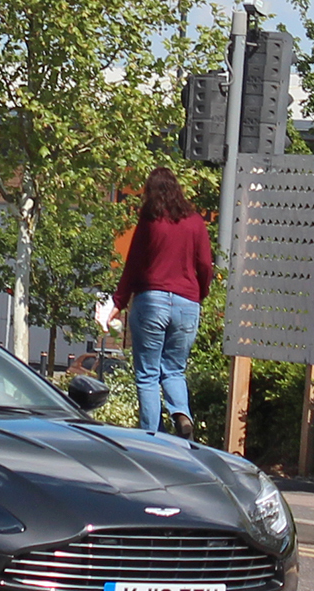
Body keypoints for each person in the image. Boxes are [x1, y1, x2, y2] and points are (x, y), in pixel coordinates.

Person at [106, 167, 213, 439]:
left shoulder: (150, 220)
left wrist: (119, 301)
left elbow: (133, 264)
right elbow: (204, 264)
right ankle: (181, 414)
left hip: (151, 300)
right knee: (175, 369)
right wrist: (199, 293)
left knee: (147, 374)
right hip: (187, 303)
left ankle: (152, 437)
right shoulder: (195, 222)